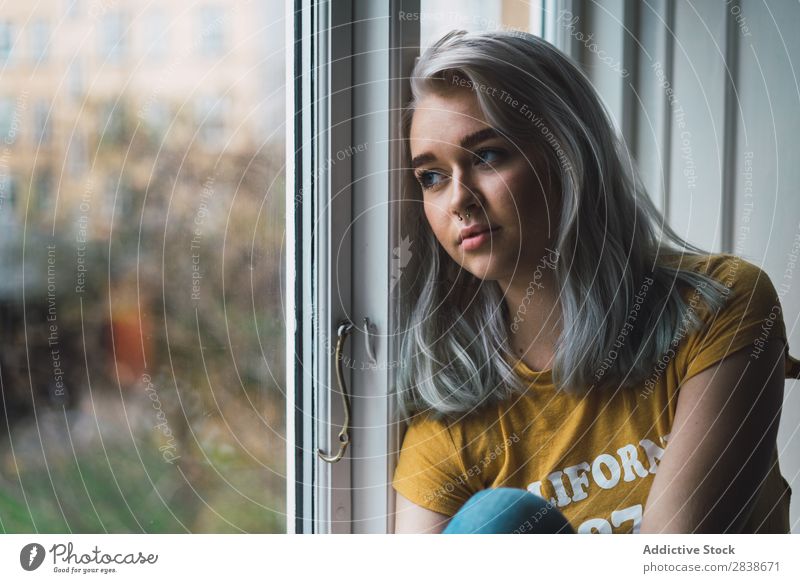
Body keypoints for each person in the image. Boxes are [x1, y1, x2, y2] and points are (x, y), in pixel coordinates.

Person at [391, 29, 800, 534]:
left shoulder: (717, 307)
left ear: (570, 154)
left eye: (488, 155)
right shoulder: (454, 413)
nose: (458, 199)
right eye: (431, 177)